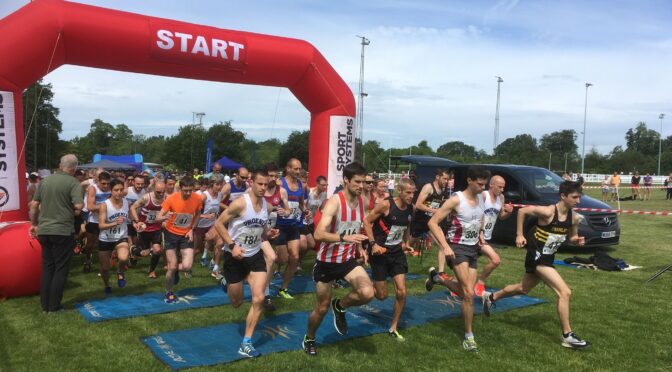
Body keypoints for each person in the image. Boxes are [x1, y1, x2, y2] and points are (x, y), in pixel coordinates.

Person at [482, 181, 590, 350]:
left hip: (548, 258)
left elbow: (571, 238)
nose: (578, 200)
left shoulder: (574, 218)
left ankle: (490, 298)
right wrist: (519, 235)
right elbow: (523, 211)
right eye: (574, 197)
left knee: (522, 289)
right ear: (563, 196)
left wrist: (577, 241)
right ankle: (568, 335)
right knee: (565, 292)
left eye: (579, 197)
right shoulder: (548, 212)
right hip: (536, 257)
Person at [302, 162, 373, 356]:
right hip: (326, 262)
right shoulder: (334, 201)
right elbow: (318, 234)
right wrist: (344, 238)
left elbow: (356, 226)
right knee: (321, 307)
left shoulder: (363, 201)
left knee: (367, 293)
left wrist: (359, 247)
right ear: (346, 180)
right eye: (357, 182)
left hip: (347, 260)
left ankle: (340, 306)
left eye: (364, 182)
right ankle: (309, 337)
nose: (361, 186)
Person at [213, 169, 280, 358]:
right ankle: (228, 281)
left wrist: (269, 234)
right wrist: (232, 245)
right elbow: (218, 224)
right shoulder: (240, 203)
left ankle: (246, 342)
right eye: (260, 184)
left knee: (258, 298)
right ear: (252, 183)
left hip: (255, 256)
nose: (263, 188)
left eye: (266, 184)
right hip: (234, 258)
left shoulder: (266, 205)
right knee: (237, 302)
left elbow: (262, 228)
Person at [425, 166, 490, 352]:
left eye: (484, 184)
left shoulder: (482, 197)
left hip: (472, 248)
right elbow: (432, 223)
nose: (482, 187)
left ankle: (439, 278)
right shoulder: (456, 200)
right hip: (457, 248)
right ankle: (469, 336)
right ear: (469, 180)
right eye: (479, 184)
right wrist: (445, 246)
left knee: (465, 293)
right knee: (469, 294)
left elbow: (481, 217)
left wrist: (481, 233)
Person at [29, 154, 84, 313]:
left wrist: (34, 224)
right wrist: (70, 210)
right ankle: (54, 306)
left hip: (44, 230)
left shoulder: (44, 181)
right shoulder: (73, 183)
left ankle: (44, 305)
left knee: (47, 268)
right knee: (60, 269)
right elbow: (79, 206)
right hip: (62, 230)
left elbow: (34, 205)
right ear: (74, 169)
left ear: (60, 165)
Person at [363, 178, 415, 340]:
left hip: (397, 254)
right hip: (380, 253)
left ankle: (393, 327)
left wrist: (405, 243)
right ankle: (367, 284)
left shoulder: (410, 208)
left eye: (413, 193)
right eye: (408, 192)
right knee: (382, 295)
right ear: (399, 190)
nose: (411, 196)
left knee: (402, 291)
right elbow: (366, 221)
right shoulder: (386, 205)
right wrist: (373, 244)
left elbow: (406, 226)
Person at [156, 177, 202, 303]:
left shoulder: (197, 198)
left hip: (186, 234)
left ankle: (175, 269)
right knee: (171, 267)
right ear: (180, 188)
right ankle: (169, 291)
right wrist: (165, 216)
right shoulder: (171, 199)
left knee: (187, 266)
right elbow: (157, 217)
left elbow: (198, 213)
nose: (188, 193)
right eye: (185, 190)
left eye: (190, 191)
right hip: (170, 234)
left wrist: (192, 228)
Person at [275, 158, 310, 299]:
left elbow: (301, 203)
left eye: (299, 168)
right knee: (283, 259)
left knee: (295, 257)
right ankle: (268, 264)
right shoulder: (280, 183)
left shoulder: (301, 185)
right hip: (280, 226)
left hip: (293, 225)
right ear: (288, 169)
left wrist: (306, 210)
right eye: (295, 169)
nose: (298, 171)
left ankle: (284, 288)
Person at [475, 175, 513, 296]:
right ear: (491, 185)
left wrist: (509, 212)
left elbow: (501, 216)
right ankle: (480, 283)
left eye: (503, 187)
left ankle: (447, 281)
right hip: (476, 235)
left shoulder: (501, 198)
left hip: (487, 236)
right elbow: (476, 213)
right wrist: (479, 231)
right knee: (495, 260)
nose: (502, 190)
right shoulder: (483, 195)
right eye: (500, 187)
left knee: (469, 263)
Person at [97, 179, 131, 294]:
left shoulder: (127, 203)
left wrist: (137, 223)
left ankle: (120, 272)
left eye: (121, 190)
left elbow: (130, 218)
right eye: (116, 190)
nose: (119, 192)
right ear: (111, 191)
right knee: (105, 268)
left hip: (121, 236)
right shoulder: (104, 205)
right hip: (105, 238)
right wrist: (114, 223)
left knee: (123, 258)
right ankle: (107, 284)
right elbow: (101, 225)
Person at [412, 169, 450, 269]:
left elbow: (436, 204)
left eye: (447, 179)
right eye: (444, 178)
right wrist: (434, 211)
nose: (446, 181)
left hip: (431, 223)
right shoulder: (428, 187)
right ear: (437, 177)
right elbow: (418, 204)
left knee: (443, 244)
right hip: (419, 221)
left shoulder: (442, 189)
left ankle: (441, 273)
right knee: (406, 245)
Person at [130, 181, 168, 279]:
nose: (161, 194)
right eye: (158, 192)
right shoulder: (146, 198)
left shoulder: (166, 198)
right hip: (144, 229)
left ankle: (152, 271)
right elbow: (133, 207)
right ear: (153, 189)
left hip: (157, 228)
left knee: (157, 250)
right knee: (145, 253)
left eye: (163, 192)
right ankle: (134, 251)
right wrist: (137, 221)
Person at [194, 174, 225, 279]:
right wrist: (204, 215)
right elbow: (193, 212)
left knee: (220, 243)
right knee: (197, 249)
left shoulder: (219, 194)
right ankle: (187, 266)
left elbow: (217, 208)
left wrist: (217, 219)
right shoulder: (204, 196)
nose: (219, 187)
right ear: (212, 184)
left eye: (221, 185)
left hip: (212, 224)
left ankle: (215, 268)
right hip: (199, 225)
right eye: (217, 184)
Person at [82, 171, 112, 273]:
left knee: (105, 244)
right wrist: (105, 207)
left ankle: (104, 266)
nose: (106, 186)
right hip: (94, 221)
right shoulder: (93, 188)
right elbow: (90, 207)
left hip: (106, 220)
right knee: (90, 244)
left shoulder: (111, 188)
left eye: (108, 183)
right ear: (98, 181)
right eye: (103, 183)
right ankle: (87, 259)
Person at [124, 174, 146, 263]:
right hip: (127, 220)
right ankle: (131, 256)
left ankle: (132, 254)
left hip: (138, 220)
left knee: (136, 240)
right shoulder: (126, 191)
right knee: (129, 240)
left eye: (142, 184)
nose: (140, 186)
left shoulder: (144, 192)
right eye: (138, 184)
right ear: (133, 182)